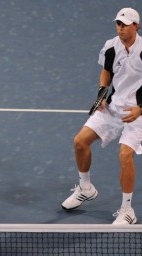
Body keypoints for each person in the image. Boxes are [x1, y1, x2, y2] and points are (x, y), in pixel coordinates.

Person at [62, 7, 142, 224]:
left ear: (136, 26)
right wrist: (101, 94)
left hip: (138, 112)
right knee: (80, 142)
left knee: (125, 155)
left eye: (125, 24)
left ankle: (127, 211)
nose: (120, 28)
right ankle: (85, 188)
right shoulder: (111, 46)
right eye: (118, 23)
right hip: (114, 108)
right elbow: (107, 71)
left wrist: (140, 108)